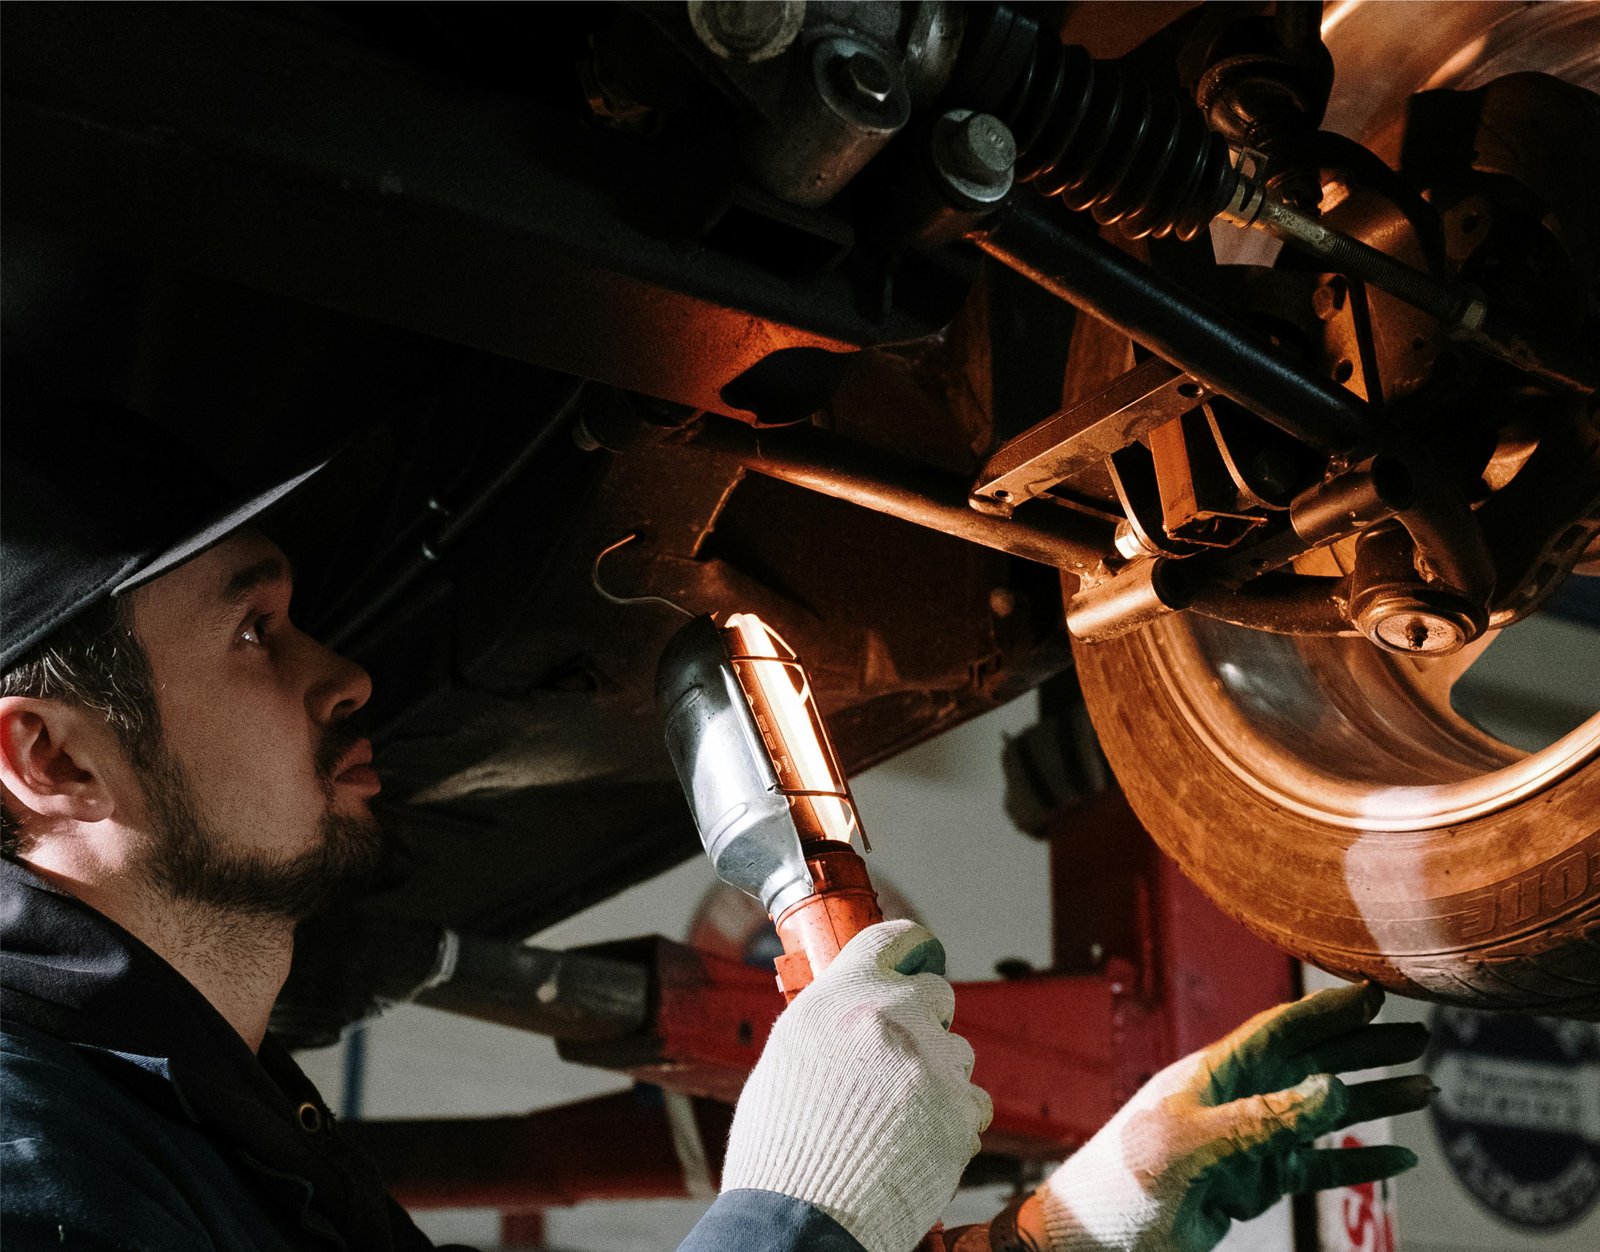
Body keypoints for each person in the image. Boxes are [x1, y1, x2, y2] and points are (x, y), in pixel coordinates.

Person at [1, 402, 1433, 1252]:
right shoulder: (33, 1166)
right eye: (254, 631)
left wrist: (1082, 1222)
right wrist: (795, 1219)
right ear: (49, 758)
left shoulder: (211, 1126)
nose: (346, 673)